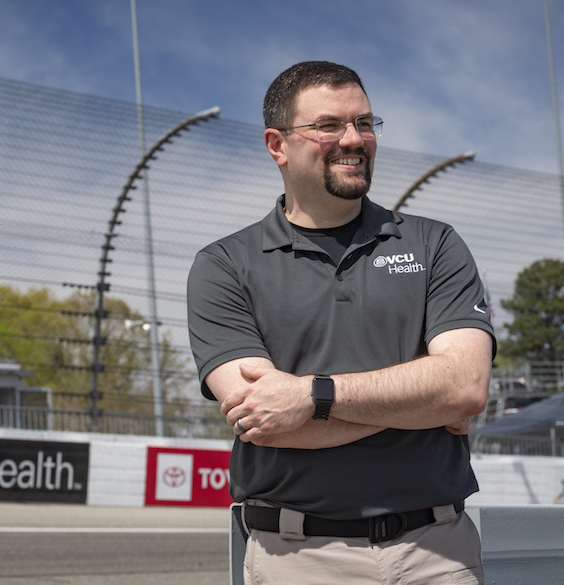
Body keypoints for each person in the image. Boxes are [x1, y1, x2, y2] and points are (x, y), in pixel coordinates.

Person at [187, 61, 495, 584]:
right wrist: (421, 398)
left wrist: (312, 396)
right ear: (277, 145)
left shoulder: (435, 244)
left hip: (438, 555)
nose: (354, 139)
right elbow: (266, 424)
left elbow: (465, 388)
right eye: (329, 125)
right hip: (299, 560)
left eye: (366, 123)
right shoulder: (224, 265)